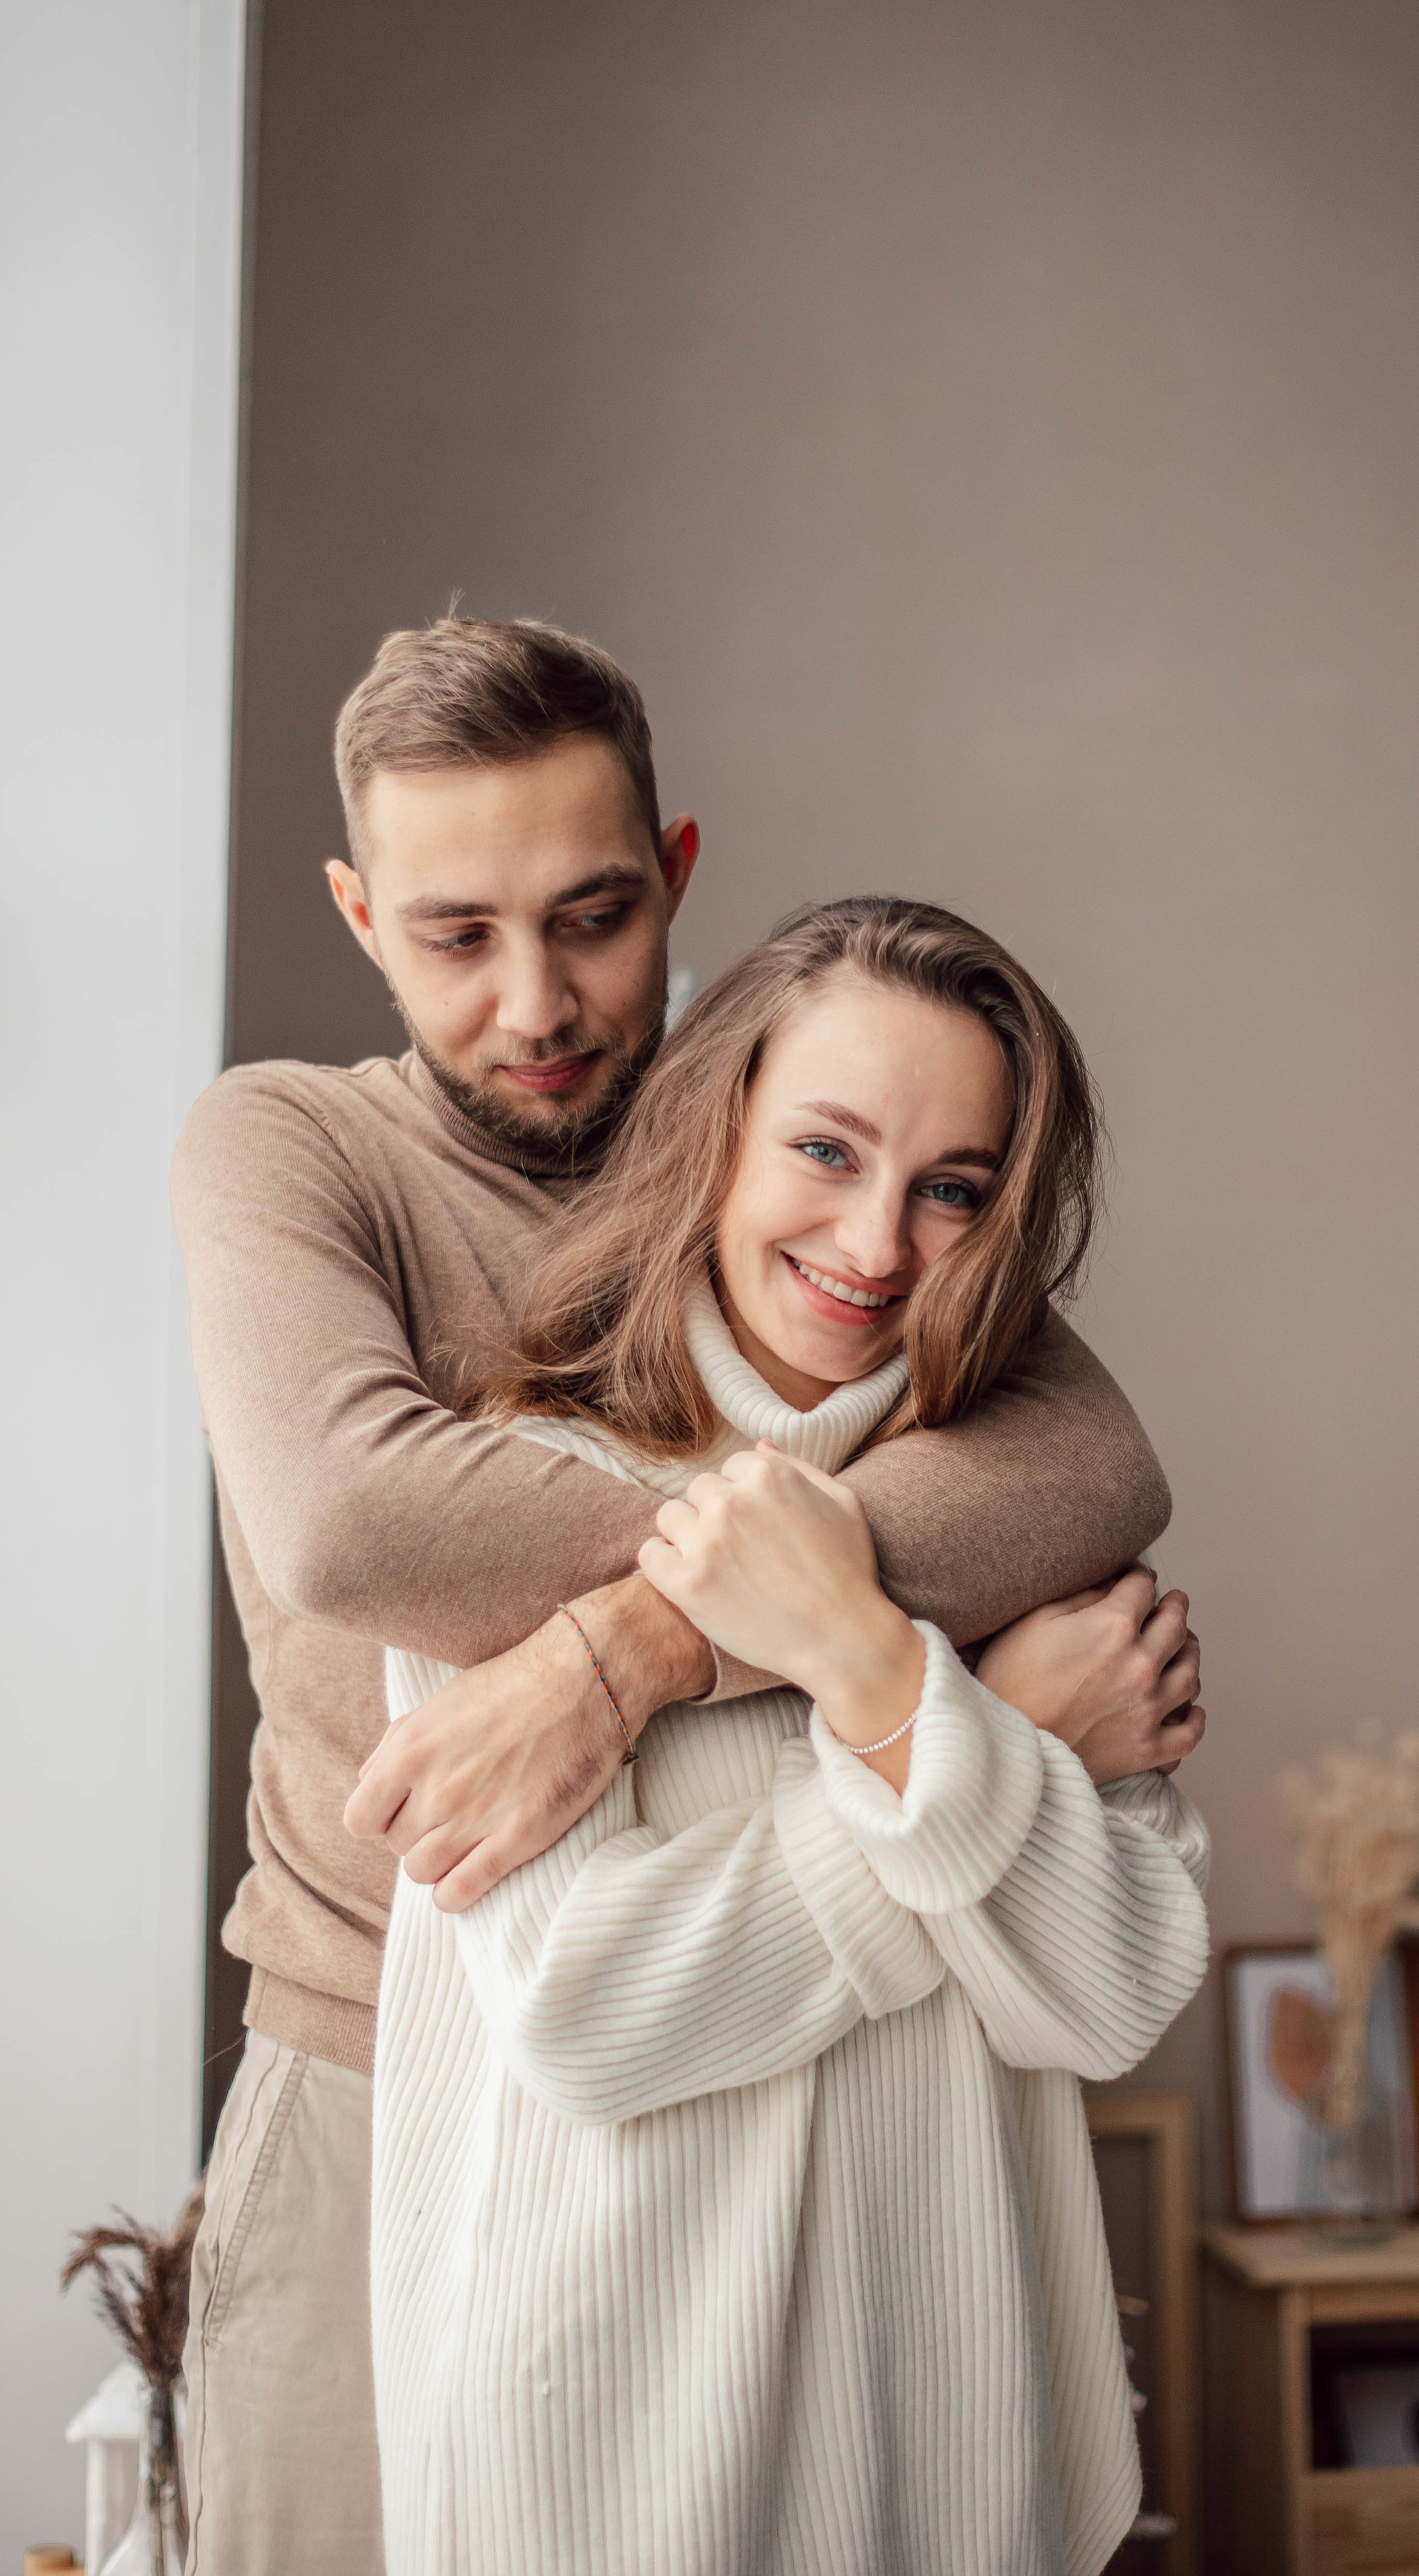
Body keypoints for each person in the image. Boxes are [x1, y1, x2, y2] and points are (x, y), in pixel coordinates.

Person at [172, 617, 1202, 2576]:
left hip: (803, 2092)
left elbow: (1083, 1471)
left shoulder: (817, 1123)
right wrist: (921, 1687)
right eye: (455, 932)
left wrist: (626, 1649)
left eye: (596, 914)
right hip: (371, 2019)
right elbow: (351, 1522)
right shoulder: (297, 1145)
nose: (540, 999)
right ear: (357, 910)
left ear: (681, 875)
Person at [373, 894, 1211, 2576]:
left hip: (958, 2452)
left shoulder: (1022, 1524)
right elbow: (592, 2011)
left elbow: (1107, 1994)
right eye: (825, 1149)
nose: (878, 1241)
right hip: (616, 2458)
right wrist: (951, 1740)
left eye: (951, 1188)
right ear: (717, 1130)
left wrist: (875, 1675)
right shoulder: (510, 1497)